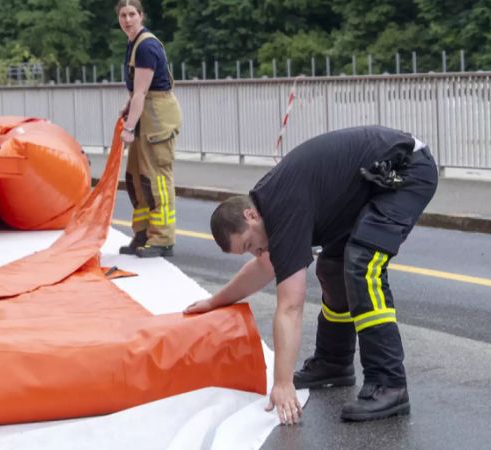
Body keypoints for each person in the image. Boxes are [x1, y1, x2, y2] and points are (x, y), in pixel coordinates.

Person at [185, 126, 438, 425]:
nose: (257, 251)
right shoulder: (269, 209)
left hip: (405, 172)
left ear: (250, 216)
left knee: (362, 265)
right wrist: (216, 301)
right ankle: (334, 363)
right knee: (332, 266)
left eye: (251, 245)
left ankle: (389, 383)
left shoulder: (283, 209)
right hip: (374, 182)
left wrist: (282, 383)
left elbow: (290, 306)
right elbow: (265, 266)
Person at [115, 0, 182, 258]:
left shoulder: (146, 46)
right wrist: (127, 108)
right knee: (136, 178)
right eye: (123, 15)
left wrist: (129, 127)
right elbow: (136, 92)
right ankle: (142, 233)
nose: (128, 19)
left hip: (157, 116)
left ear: (141, 16)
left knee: (157, 179)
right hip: (147, 111)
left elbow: (142, 91)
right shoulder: (133, 43)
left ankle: (163, 238)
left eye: (132, 14)